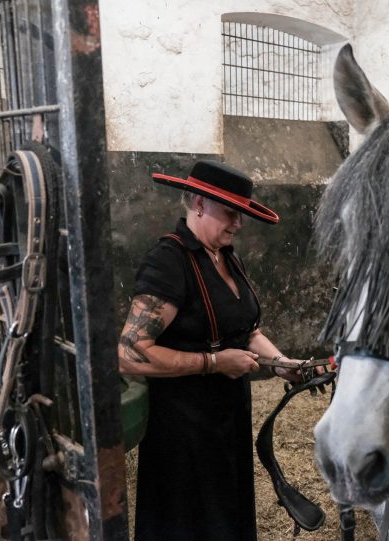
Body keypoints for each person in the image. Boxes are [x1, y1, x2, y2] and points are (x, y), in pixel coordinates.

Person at [118, 160, 306, 541]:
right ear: (199, 204)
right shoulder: (169, 261)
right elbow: (130, 351)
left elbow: (246, 331)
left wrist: (281, 363)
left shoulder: (226, 256)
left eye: (240, 215)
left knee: (226, 514)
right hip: (183, 429)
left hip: (226, 419)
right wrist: (214, 362)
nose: (238, 223)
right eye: (231, 213)